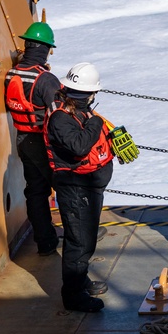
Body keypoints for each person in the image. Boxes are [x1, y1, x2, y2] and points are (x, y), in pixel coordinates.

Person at [43, 62, 114, 313]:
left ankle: (79, 279)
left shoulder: (78, 112)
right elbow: (79, 146)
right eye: (93, 93)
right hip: (75, 188)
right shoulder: (61, 118)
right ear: (87, 93)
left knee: (87, 239)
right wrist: (97, 123)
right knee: (78, 243)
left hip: (89, 186)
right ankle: (72, 296)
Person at [5, 21, 61, 256]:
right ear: (45, 49)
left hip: (23, 140)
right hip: (43, 142)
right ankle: (79, 233)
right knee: (67, 189)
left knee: (36, 191)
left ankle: (45, 242)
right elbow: (59, 115)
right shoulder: (46, 79)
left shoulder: (12, 73)